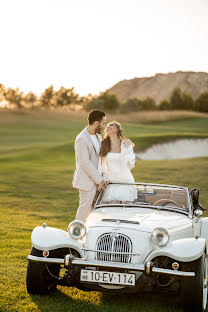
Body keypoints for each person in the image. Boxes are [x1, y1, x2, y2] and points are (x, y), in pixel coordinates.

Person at [73, 109, 108, 222]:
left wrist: (104, 176)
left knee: (95, 212)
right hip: (87, 182)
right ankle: (75, 234)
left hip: (99, 181)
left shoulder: (98, 136)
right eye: (103, 123)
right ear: (96, 123)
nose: (104, 126)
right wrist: (99, 180)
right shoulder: (81, 139)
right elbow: (85, 163)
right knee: (84, 210)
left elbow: (100, 158)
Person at [99, 121, 137, 202]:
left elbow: (130, 164)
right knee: (113, 207)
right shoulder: (104, 144)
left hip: (126, 179)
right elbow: (103, 165)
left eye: (111, 125)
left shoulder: (126, 143)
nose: (108, 126)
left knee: (127, 206)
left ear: (117, 129)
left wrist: (128, 147)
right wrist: (105, 178)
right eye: (107, 126)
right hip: (112, 180)